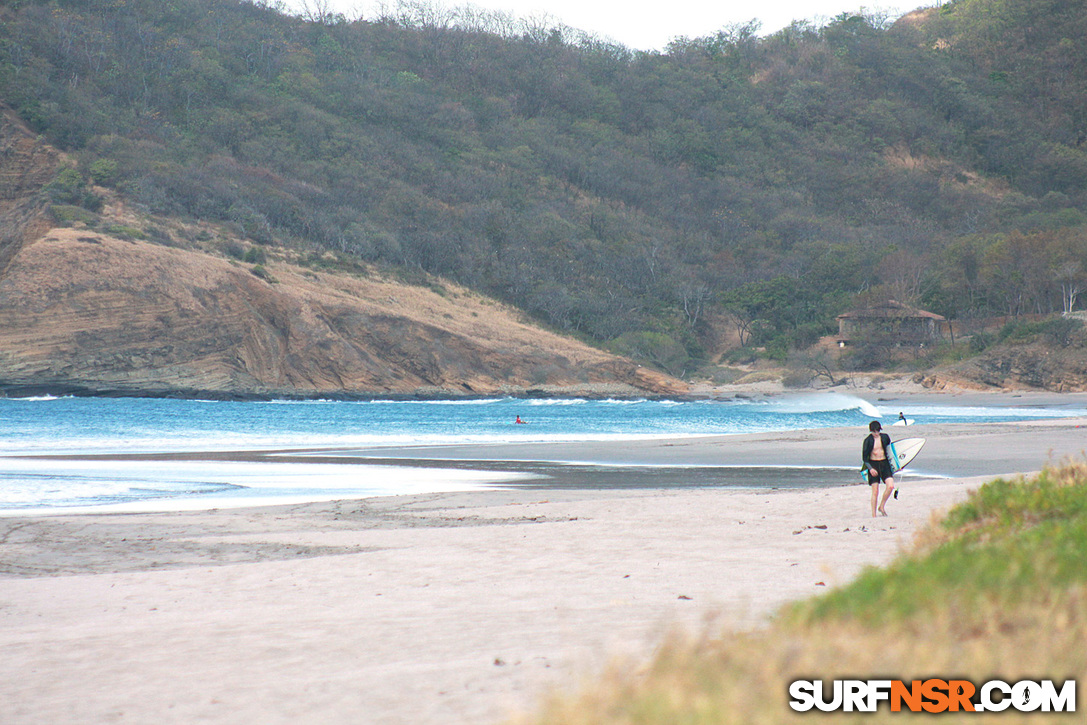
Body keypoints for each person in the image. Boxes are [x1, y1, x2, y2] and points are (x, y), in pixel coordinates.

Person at [862, 420, 895, 517]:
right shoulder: (868, 441)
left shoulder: (885, 437)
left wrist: (898, 465)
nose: (876, 433)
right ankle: (873, 515)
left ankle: (881, 506)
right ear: (871, 431)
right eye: (874, 432)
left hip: (885, 464)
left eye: (877, 431)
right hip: (873, 465)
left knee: (890, 486)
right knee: (875, 491)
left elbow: (891, 452)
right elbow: (864, 458)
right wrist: (870, 469)